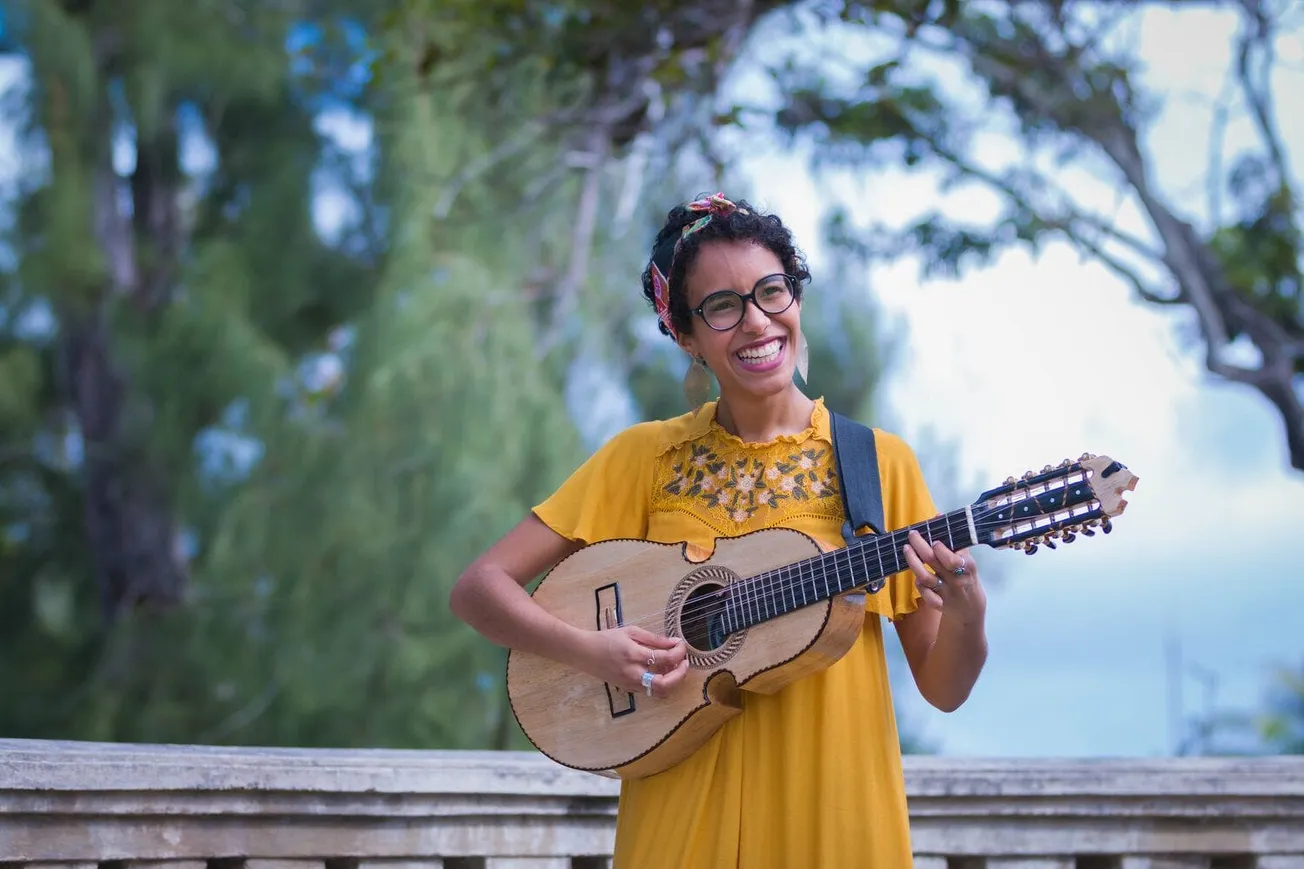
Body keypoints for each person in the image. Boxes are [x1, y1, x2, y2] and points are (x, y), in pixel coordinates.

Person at [449, 192, 989, 869]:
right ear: (685, 334)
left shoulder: (879, 465)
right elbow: (478, 588)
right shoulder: (644, 458)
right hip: (679, 822)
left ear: (796, 296)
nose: (757, 322)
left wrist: (968, 614)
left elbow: (943, 687)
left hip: (833, 820)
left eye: (772, 291)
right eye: (724, 306)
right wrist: (592, 650)